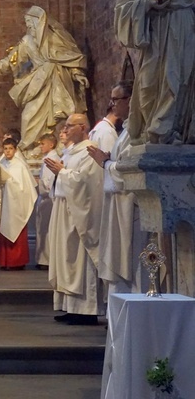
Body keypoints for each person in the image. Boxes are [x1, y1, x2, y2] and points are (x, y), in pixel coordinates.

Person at [0, 6, 89, 152]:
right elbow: (12, 60)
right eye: (27, 22)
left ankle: (56, 148)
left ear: (40, 21)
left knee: (61, 115)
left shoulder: (55, 38)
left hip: (59, 81)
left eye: (30, 21)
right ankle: (31, 149)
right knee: (28, 116)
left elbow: (69, 58)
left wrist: (78, 75)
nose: (28, 25)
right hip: (38, 82)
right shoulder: (27, 41)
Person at [115, 0, 195, 145]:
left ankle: (165, 129)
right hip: (155, 42)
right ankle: (149, 126)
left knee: (174, 80)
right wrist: (150, 5)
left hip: (177, 39)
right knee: (148, 83)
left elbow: (187, 0)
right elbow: (124, 9)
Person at [87, 82, 145, 297]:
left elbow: (129, 171)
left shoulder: (136, 131)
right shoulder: (127, 130)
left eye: (116, 99)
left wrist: (105, 163)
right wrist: (109, 161)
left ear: (130, 100)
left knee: (131, 269)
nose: (112, 105)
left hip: (130, 210)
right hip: (120, 209)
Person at [45, 114, 104, 325]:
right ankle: (70, 307)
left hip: (78, 214)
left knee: (78, 260)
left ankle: (86, 311)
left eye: (70, 126)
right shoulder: (72, 152)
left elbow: (86, 183)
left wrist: (62, 172)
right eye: (66, 126)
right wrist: (60, 173)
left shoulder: (90, 151)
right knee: (64, 259)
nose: (66, 129)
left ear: (82, 127)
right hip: (64, 209)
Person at [0, 138, 37, 270]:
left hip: (16, 206)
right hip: (3, 204)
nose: (7, 151)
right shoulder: (0, 164)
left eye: (10, 149)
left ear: (15, 150)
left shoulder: (20, 166)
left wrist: (8, 182)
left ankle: (16, 262)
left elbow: (24, 188)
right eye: (5, 149)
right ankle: (4, 261)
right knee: (3, 231)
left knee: (16, 231)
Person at [34, 133, 60, 270]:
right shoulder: (49, 157)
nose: (40, 146)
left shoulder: (51, 159)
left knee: (47, 230)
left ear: (51, 144)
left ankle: (47, 260)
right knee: (43, 229)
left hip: (48, 199)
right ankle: (44, 259)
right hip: (45, 199)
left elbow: (48, 183)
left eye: (43, 144)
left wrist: (40, 184)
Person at [89, 82, 132, 153]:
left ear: (128, 101)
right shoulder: (108, 130)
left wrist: (106, 161)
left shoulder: (134, 130)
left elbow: (127, 162)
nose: (111, 104)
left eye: (115, 99)